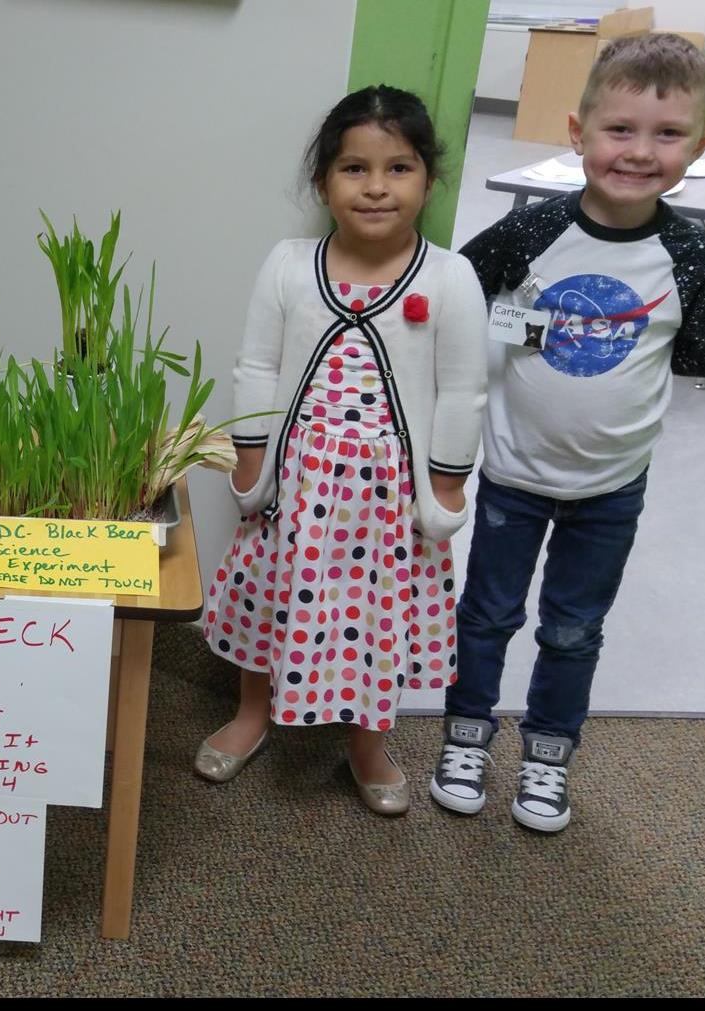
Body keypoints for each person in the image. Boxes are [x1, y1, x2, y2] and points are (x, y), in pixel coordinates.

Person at [430, 33, 705, 833]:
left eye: (667, 135)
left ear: (704, 146)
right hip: (512, 476)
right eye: (619, 129)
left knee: (572, 628)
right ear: (577, 131)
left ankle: (550, 749)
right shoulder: (533, 233)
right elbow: (461, 293)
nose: (638, 152)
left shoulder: (690, 255)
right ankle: (466, 734)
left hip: (610, 488)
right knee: (486, 614)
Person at [196, 86, 488, 816]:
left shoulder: (451, 277)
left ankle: (367, 742)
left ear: (428, 178)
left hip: (387, 498)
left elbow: (463, 391)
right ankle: (253, 712)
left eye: (399, 167)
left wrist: (448, 485)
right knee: (272, 596)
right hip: (296, 484)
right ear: (323, 181)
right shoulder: (290, 264)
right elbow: (256, 365)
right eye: (355, 168)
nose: (377, 186)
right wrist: (250, 457)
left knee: (377, 613)